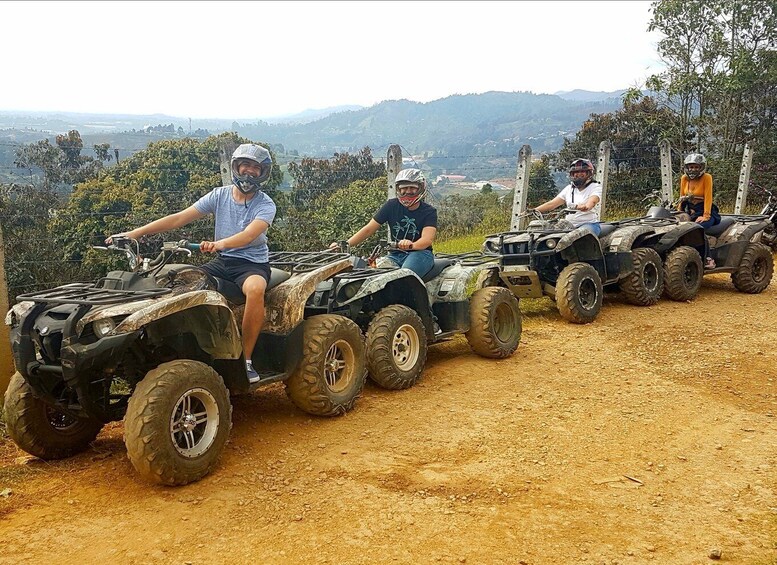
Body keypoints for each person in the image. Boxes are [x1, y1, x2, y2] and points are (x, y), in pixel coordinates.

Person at [107, 143, 276, 381]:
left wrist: (220, 243)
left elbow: (250, 234)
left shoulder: (266, 204)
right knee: (181, 282)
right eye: (245, 165)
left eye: (256, 168)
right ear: (236, 167)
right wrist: (134, 233)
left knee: (256, 289)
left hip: (251, 264)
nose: (249, 171)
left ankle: (246, 361)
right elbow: (180, 218)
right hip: (222, 261)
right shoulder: (219, 195)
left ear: (263, 173)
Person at [330, 168, 438, 278]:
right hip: (395, 255)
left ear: (420, 188)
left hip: (420, 254)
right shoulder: (391, 206)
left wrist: (411, 245)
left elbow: (427, 240)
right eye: (404, 188)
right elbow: (368, 229)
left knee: (404, 277)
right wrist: (344, 245)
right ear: (398, 190)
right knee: (373, 276)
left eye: (412, 188)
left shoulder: (429, 211)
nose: (408, 192)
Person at [532, 158, 602, 235]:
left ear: (589, 173)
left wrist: (584, 207)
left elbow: (592, 202)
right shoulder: (569, 188)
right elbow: (552, 204)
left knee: (582, 235)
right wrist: (533, 211)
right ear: (572, 174)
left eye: (582, 171)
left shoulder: (595, 187)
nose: (578, 174)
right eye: (575, 172)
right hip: (568, 225)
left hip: (589, 224)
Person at [677, 153, 720, 269]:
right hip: (691, 211)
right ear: (686, 167)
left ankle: (708, 259)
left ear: (701, 167)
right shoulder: (684, 178)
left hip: (706, 211)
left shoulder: (707, 177)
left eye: (696, 167)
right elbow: (682, 197)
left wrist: (706, 216)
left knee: (697, 229)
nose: (693, 169)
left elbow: (708, 197)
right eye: (691, 167)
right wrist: (678, 213)